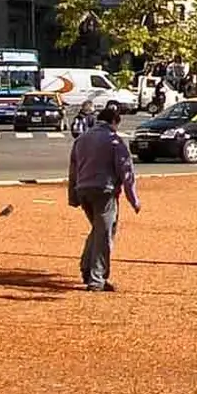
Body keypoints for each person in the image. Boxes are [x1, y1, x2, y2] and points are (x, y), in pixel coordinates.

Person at [66, 101, 140, 291]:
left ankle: (86, 268)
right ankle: (96, 278)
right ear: (114, 122)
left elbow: (73, 169)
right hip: (104, 191)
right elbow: (126, 172)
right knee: (105, 233)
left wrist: (72, 195)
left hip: (84, 190)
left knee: (98, 230)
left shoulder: (82, 139)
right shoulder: (114, 141)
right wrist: (134, 200)